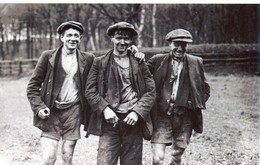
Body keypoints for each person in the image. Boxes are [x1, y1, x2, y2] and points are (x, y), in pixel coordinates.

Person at [85, 21, 156, 165]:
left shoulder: (138, 62)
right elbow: (90, 90)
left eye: (126, 38)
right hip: (110, 122)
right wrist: (104, 109)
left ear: (131, 41)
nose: (122, 42)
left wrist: (137, 112)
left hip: (133, 121)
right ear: (112, 38)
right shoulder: (100, 62)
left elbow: (151, 90)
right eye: (118, 37)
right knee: (105, 162)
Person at [27, 21, 94, 165]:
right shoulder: (48, 57)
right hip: (51, 111)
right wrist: (39, 107)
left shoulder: (87, 59)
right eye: (69, 35)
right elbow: (33, 86)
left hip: (74, 111)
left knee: (67, 155)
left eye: (76, 36)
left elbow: (106, 65)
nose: (73, 39)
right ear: (62, 38)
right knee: (48, 158)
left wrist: (131, 51)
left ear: (80, 39)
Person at [147, 29, 210, 165]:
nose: (180, 48)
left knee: (177, 155)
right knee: (158, 157)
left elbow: (205, 88)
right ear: (170, 44)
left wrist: (194, 102)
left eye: (183, 45)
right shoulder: (157, 60)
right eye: (176, 44)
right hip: (161, 114)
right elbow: (142, 76)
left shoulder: (196, 62)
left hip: (184, 116)